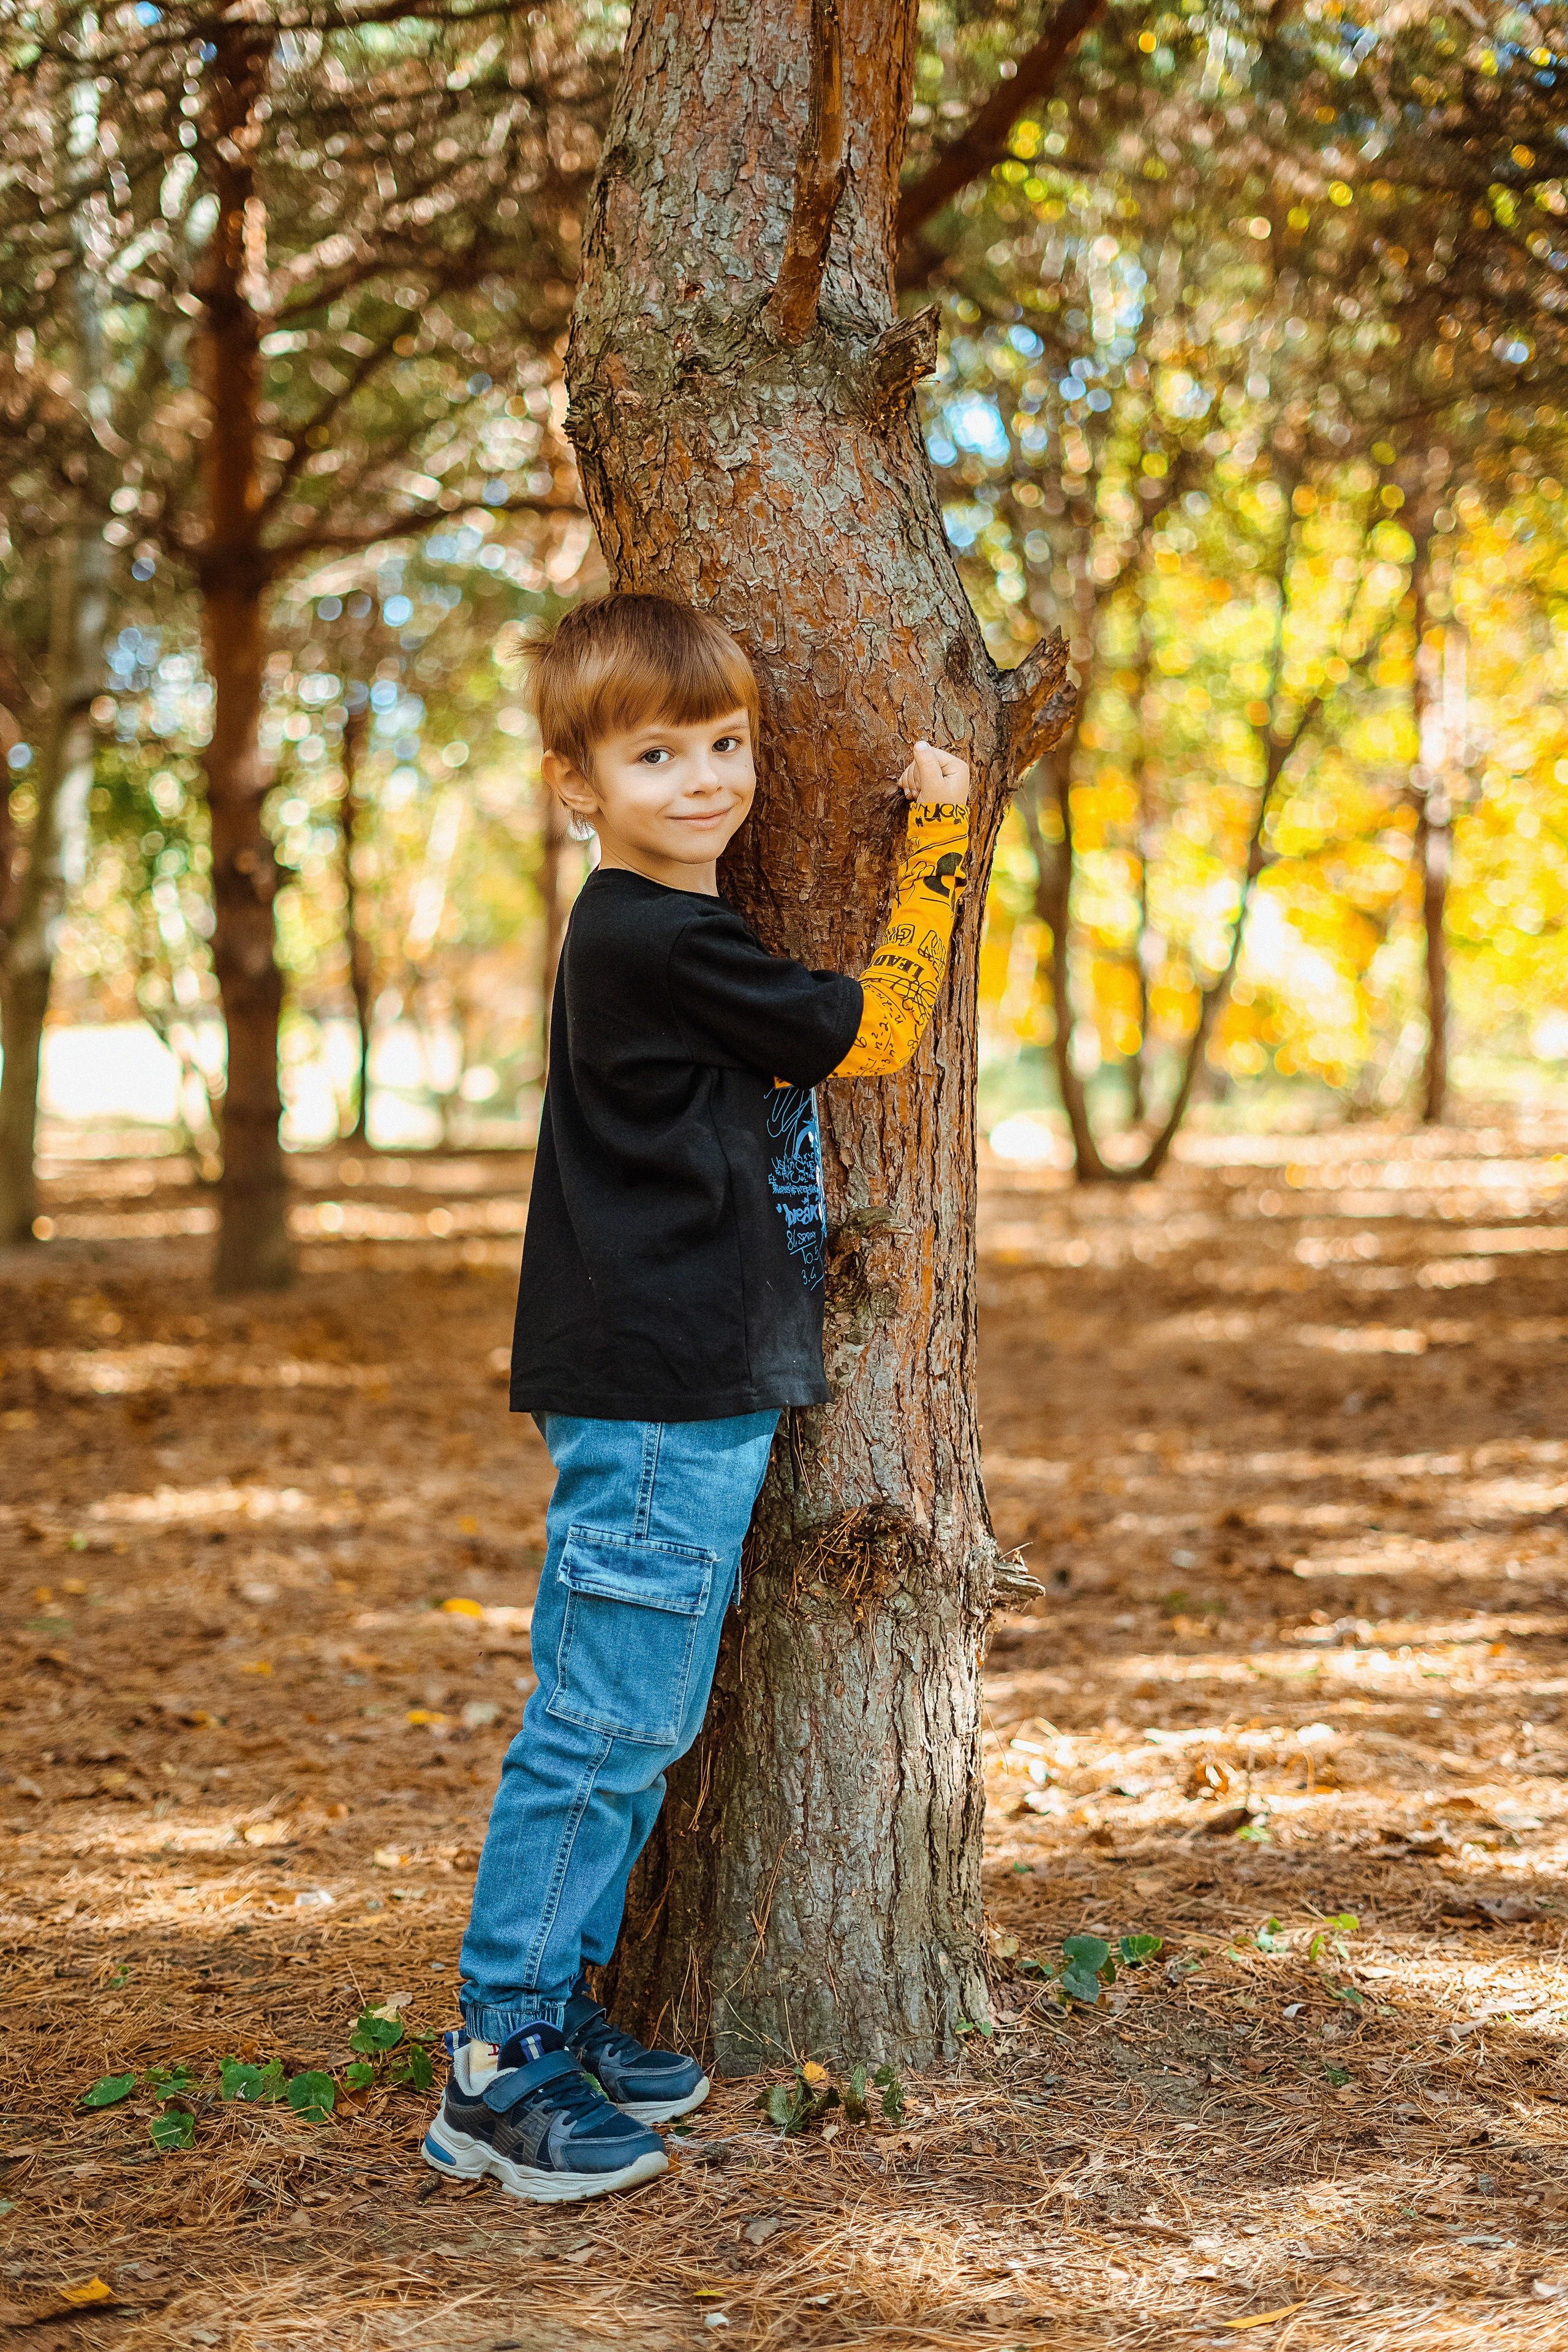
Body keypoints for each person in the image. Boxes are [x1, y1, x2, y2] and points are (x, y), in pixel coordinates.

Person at [422, 592, 970, 2204]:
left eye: (726, 743)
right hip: (658, 1396)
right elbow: (879, 1032)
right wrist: (942, 843)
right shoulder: (656, 937)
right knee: (605, 1723)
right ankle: (498, 2062)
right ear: (578, 786)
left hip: (680, 1383)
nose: (709, 778)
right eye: (657, 755)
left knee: (640, 1723)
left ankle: (561, 2009)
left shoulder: (655, 934)